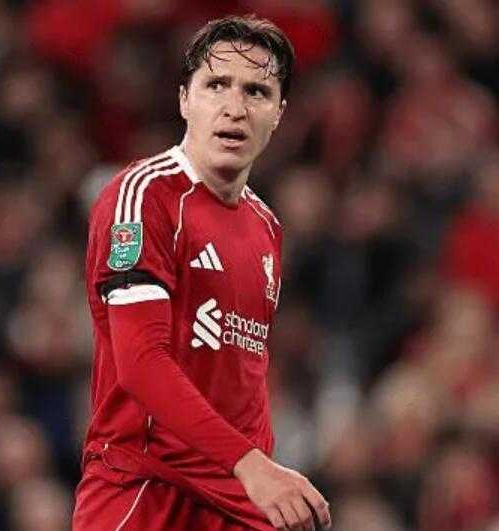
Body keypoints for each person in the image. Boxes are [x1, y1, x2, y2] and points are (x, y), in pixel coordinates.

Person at [73, 15, 332, 531]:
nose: (235, 108)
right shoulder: (144, 196)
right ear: (184, 100)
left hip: (230, 498)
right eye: (217, 85)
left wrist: (262, 478)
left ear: (279, 114)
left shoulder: (266, 226)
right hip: (144, 494)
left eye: (257, 91)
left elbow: (244, 382)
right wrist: (252, 466)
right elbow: (141, 363)